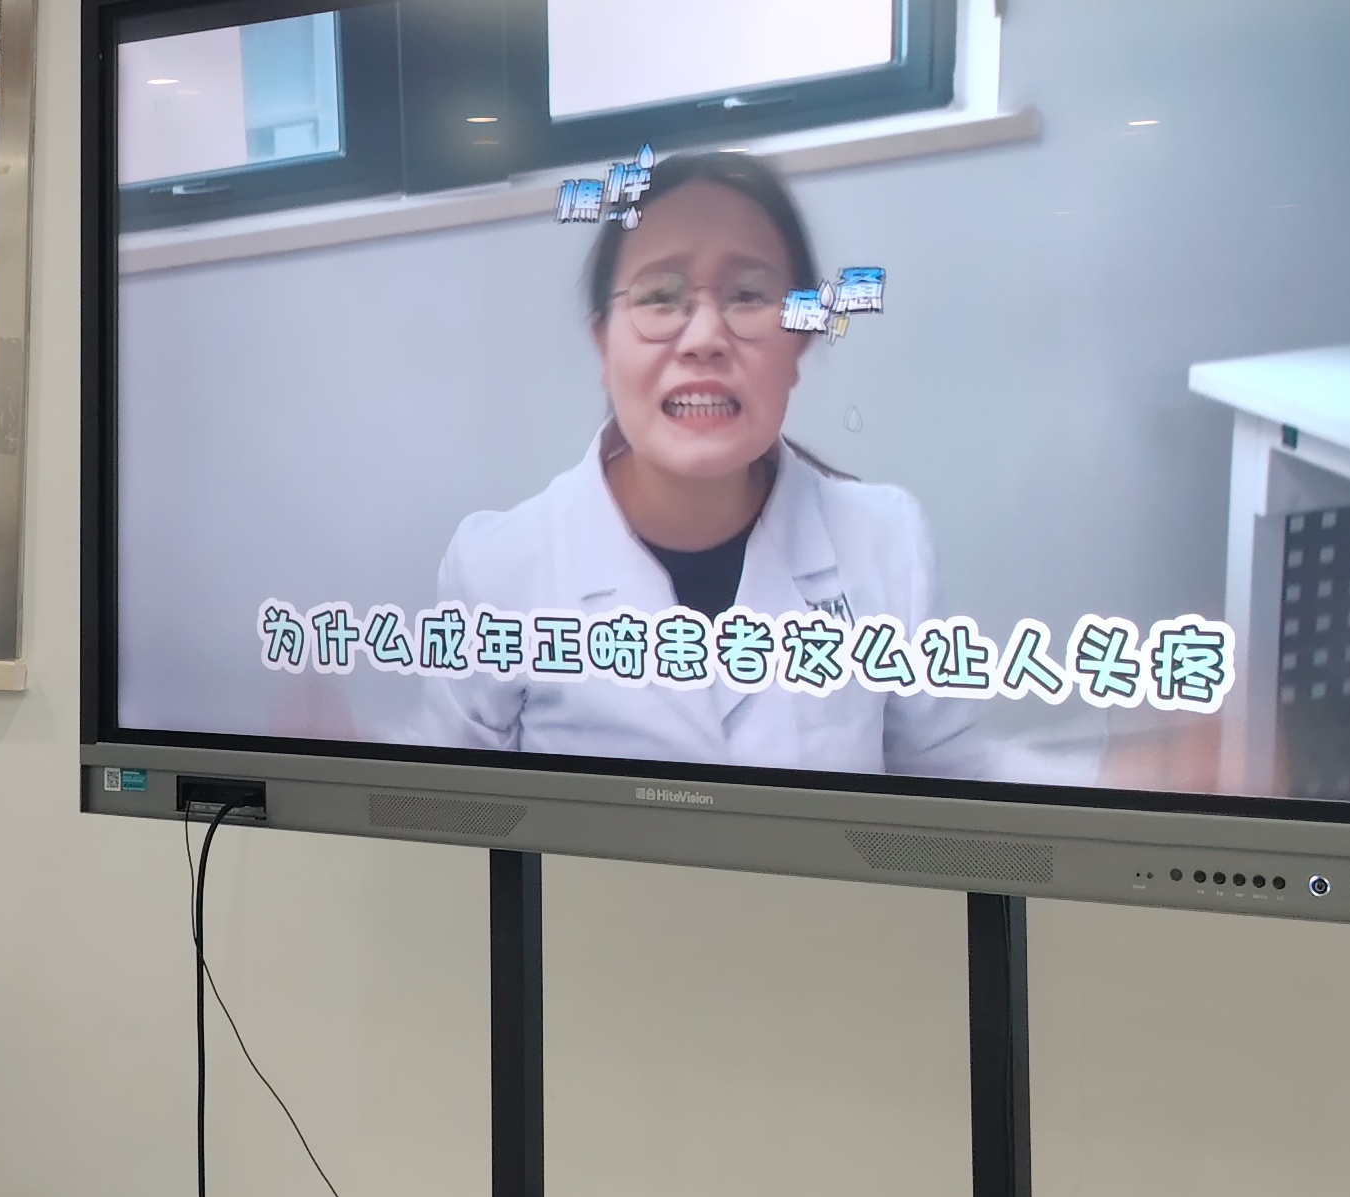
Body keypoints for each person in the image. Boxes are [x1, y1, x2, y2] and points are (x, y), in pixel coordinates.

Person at [427, 149, 1016, 778]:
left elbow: (953, 777)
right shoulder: (498, 570)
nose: (705, 337)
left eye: (748, 295)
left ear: (799, 341)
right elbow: (446, 804)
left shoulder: (886, 541)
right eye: (660, 296)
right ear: (604, 346)